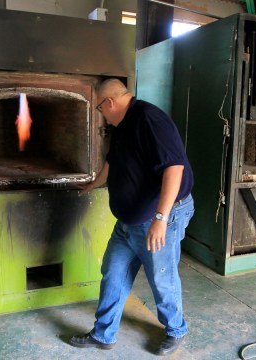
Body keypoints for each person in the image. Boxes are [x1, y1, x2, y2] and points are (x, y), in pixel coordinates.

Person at [69, 78, 194, 356]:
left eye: (100, 107)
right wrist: (94, 183)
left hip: (161, 218)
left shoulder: (149, 119)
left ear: (109, 102)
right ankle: (103, 334)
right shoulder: (122, 125)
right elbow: (112, 162)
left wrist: (161, 218)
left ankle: (176, 329)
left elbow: (175, 169)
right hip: (128, 223)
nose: (101, 113)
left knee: (162, 277)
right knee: (113, 273)